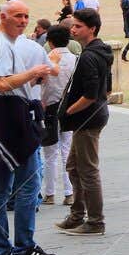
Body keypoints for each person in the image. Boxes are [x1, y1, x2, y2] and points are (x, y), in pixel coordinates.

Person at [0, 0, 56, 255]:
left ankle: (0, 249)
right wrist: (33, 72)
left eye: (26, 16)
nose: (23, 21)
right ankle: (23, 247)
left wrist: (31, 79)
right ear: (4, 17)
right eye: (18, 16)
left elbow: (6, 84)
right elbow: (2, 83)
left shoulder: (2, 43)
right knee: (28, 183)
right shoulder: (0, 45)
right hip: (8, 114)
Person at [57, 8, 113, 237]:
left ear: (92, 29)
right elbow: (106, 88)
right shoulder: (99, 51)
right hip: (92, 116)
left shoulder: (90, 56)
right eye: (73, 25)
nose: (73, 29)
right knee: (73, 166)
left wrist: (69, 110)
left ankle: (95, 221)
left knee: (88, 170)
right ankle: (77, 214)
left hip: (87, 119)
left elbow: (90, 94)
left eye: (78, 26)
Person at [39, 23, 76, 205]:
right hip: (69, 108)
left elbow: (43, 87)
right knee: (67, 150)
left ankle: (50, 193)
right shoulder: (76, 59)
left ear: (50, 42)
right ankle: (69, 193)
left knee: (50, 153)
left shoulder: (46, 59)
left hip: (50, 108)